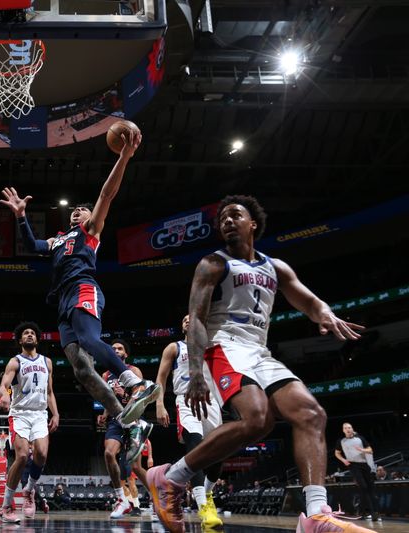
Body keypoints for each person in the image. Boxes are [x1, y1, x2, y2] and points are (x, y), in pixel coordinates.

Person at [144, 195, 373, 533]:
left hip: (258, 351)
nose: (226, 221)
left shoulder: (275, 267)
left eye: (234, 215)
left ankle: (315, 514)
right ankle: (171, 479)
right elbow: (197, 319)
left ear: (253, 224)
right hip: (222, 345)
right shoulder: (213, 263)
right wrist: (195, 373)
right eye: (221, 217)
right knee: (255, 416)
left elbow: (308, 300)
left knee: (310, 414)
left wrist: (325, 313)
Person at [0, 126, 159, 462]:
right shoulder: (58, 240)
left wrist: (124, 157)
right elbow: (30, 245)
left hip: (84, 288)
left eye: (82, 210)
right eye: (74, 210)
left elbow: (106, 196)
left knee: (90, 340)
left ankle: (133, 383)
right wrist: (21, 217)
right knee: (82, 370)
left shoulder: (90, 231)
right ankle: (127, 421)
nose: (77, 211)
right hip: (62, 303)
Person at [154, 314, 223, 528]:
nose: (187, 320)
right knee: (195, 444)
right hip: (185, 400)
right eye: (184, 318)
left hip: (212, 401)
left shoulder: (212, 346)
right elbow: (161, 378)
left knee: (218, 452)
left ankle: (208, 494)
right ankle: (204, 509)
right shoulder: (174, 348)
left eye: (192, 318)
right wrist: (159, 404)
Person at [0, 322, 59, 523]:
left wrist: (55, 414)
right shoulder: (15, 361)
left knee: (41, 454)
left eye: (33, 333)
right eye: (25, 333)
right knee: (22, 456)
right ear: (20, 340)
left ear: (37, 339)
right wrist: (4, 395)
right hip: (20, 413)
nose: (30, 335)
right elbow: (4, 385)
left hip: (40, 414)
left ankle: (29, 491)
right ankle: (5, 506)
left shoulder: (47, 362)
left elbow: (49, 392)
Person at [96, 339, 151, 519]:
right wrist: (104, 413)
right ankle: (122, 500)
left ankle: (159, 500)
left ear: (125, 354)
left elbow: (143, 395)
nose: (116, 350)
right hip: (115, 419)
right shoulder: (105, 375)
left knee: (135, 466)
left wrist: (125, 394)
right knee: (109, 454)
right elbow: (107, 397)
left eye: (120, 348)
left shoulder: (133, 371)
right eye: (113, 349)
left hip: (134, 418)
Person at [335, 423, 380, 521]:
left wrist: (362, 449)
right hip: (353, 465)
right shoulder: (341, 441)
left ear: (352, 429)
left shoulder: (360, 438)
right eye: (345, 428)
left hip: (365, 464)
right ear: (343, 430)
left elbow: (370, 450)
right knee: (363, 487)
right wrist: (343, 460)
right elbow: (337, 453)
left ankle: (362, 511)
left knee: (370, 488)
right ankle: (373, 513)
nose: (348, 429)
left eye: (349, 427)